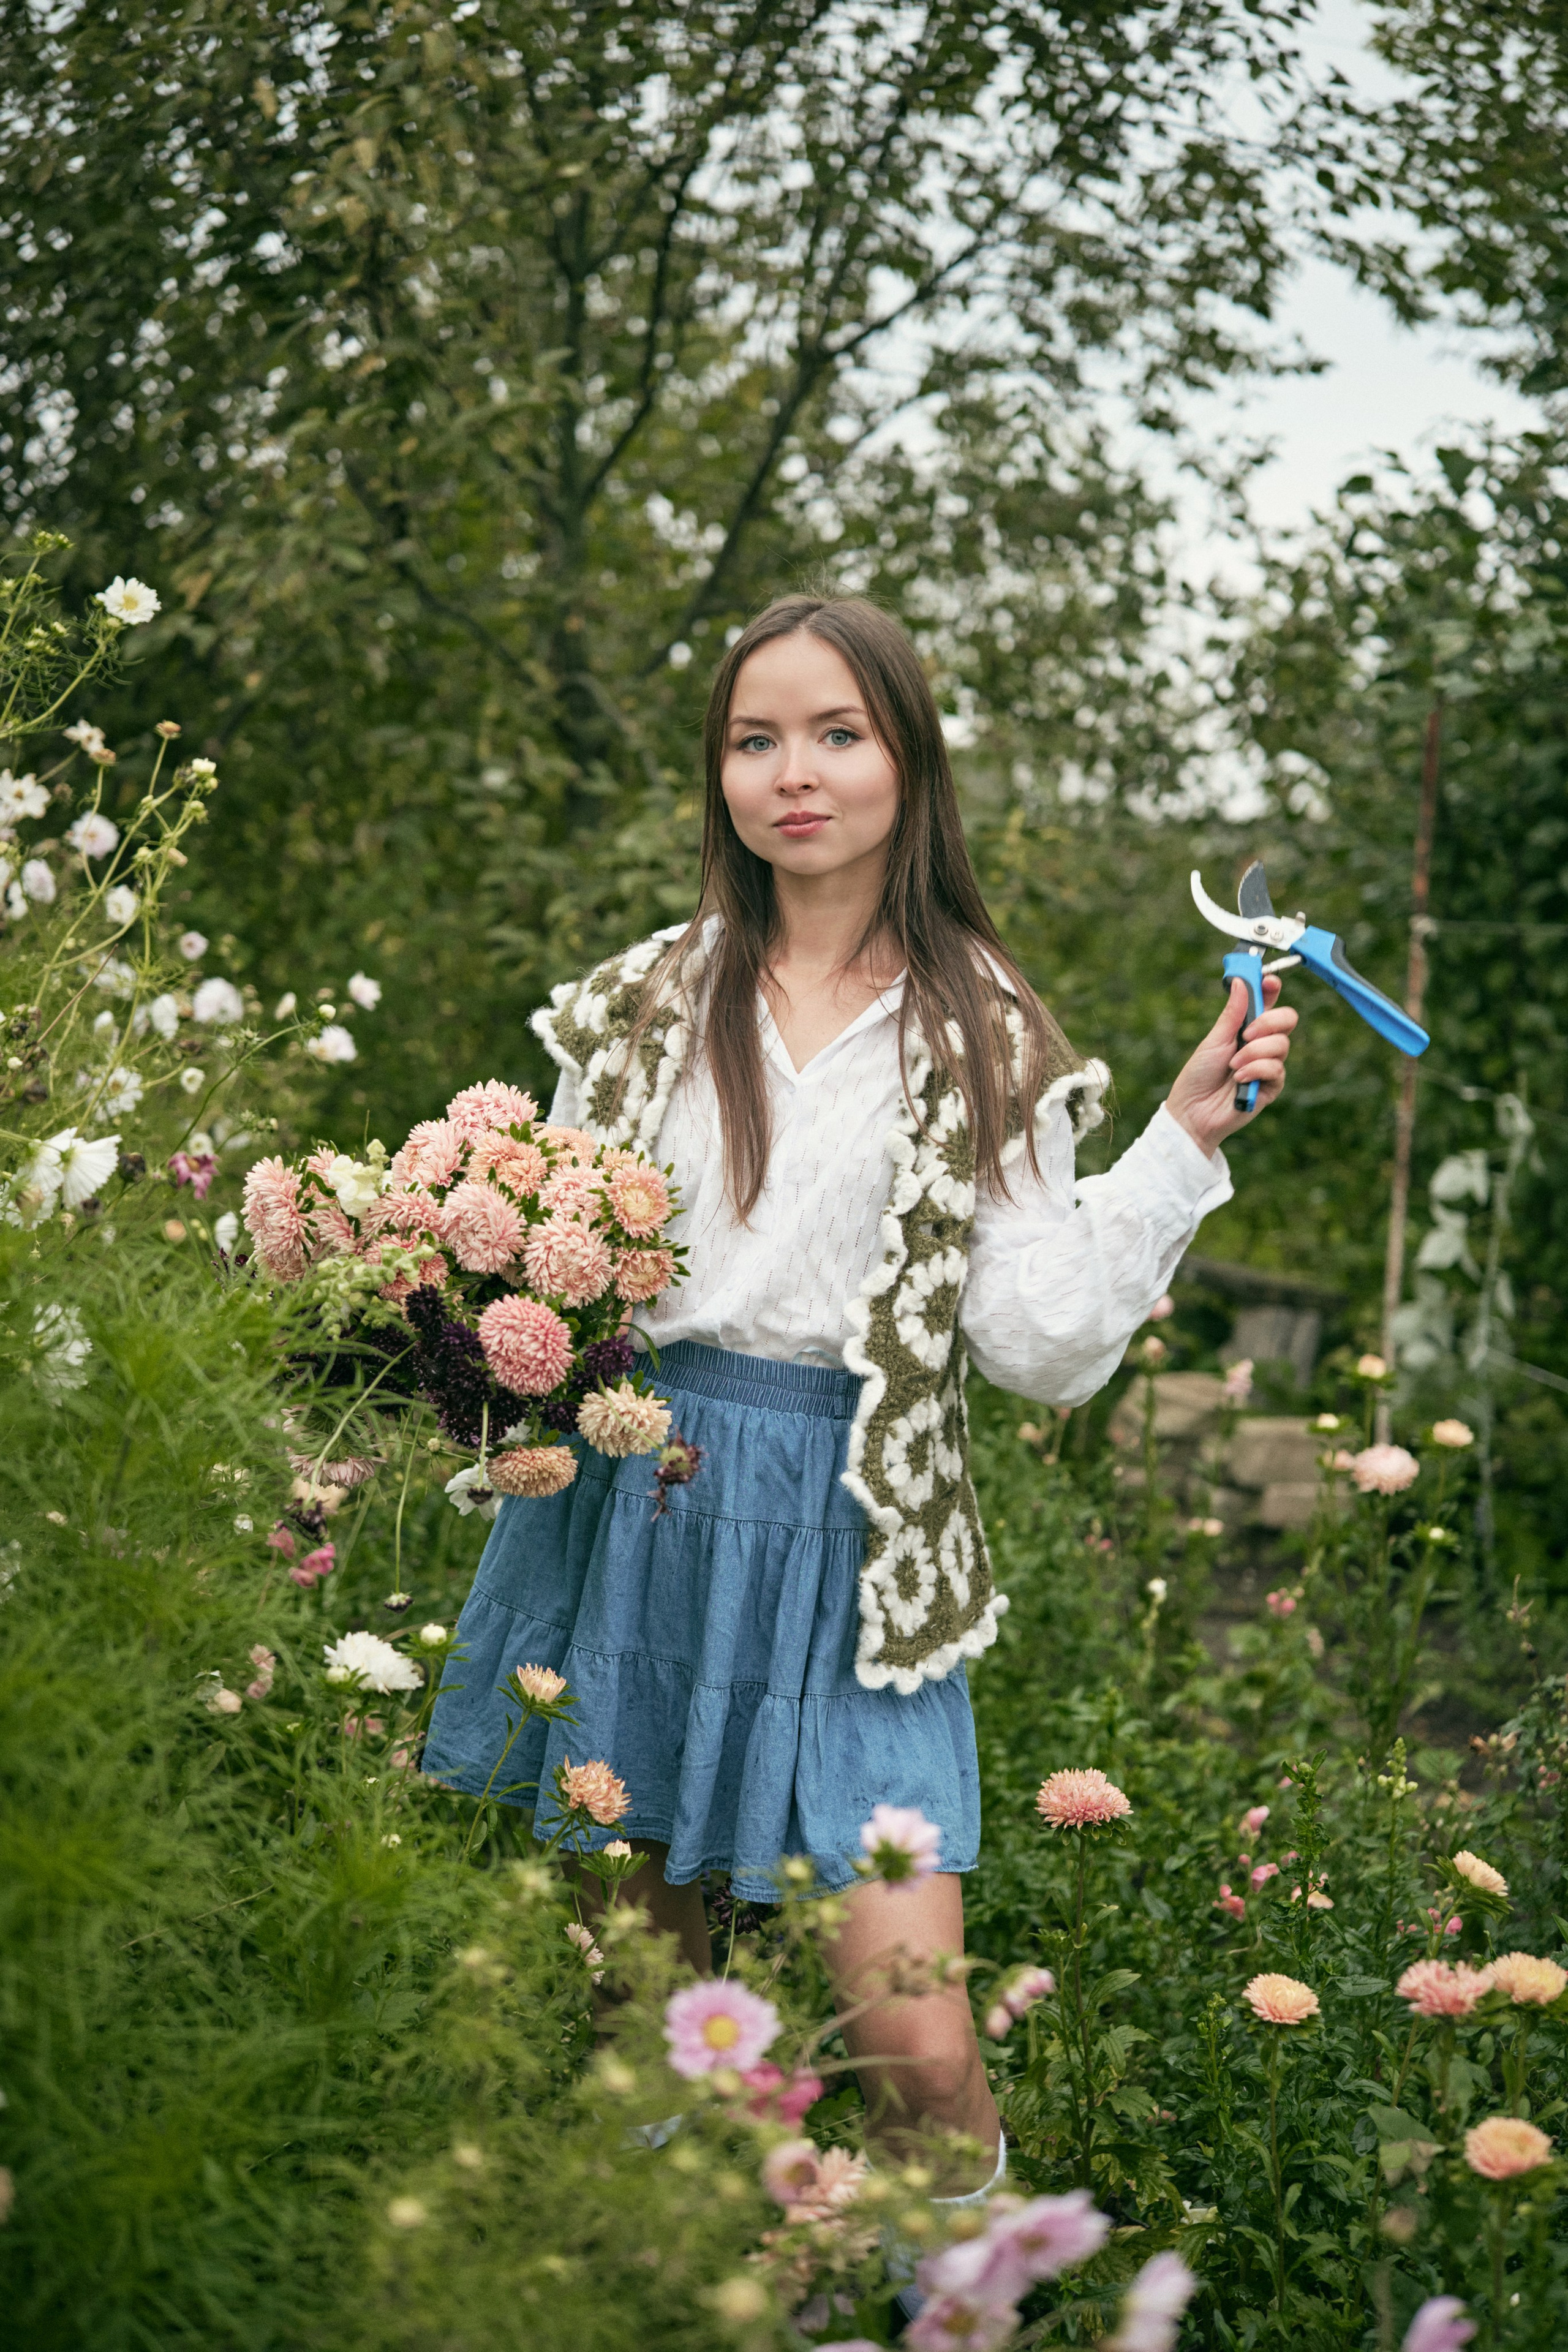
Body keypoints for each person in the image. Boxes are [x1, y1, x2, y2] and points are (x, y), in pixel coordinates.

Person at [421, 592, 1295, 2199]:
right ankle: (683, 2294)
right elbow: (542, 1265)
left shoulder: (986, 1028)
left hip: (861, 1544)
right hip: (649, 1506)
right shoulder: (645, 1002)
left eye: (838, 734)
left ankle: (961, 2299)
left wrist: (1177, 1146)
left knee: (915, 2040)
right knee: (651, 2021)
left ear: (908, 763)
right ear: (721, 778)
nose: (794, 773)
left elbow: (1037, 1343)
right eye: (756, 740)